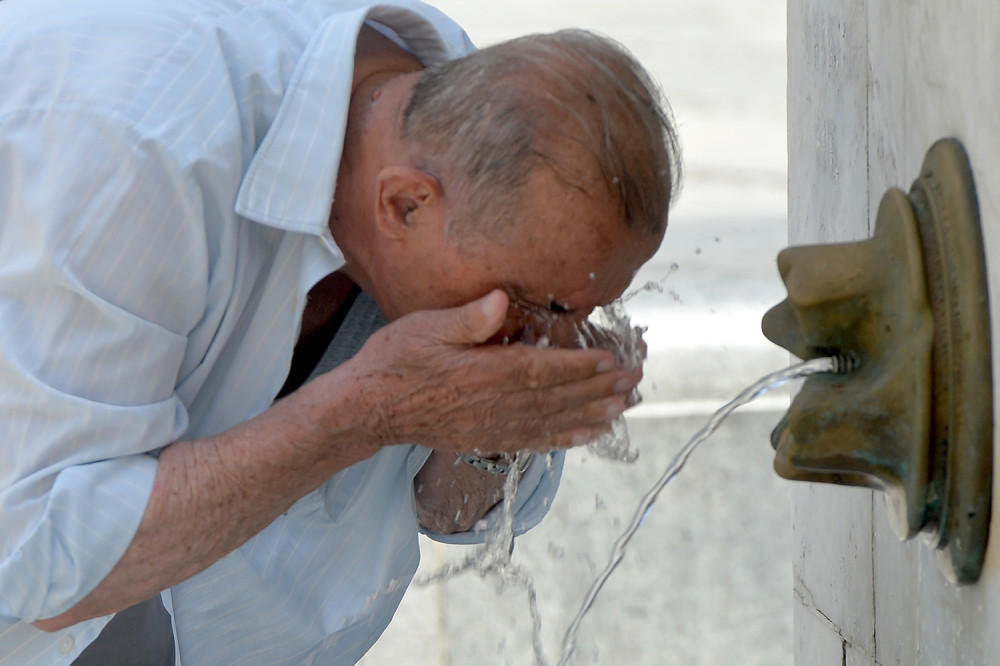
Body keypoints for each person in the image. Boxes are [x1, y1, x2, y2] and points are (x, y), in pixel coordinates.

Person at [0, 0, 682, 663]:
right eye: (541, 306)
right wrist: (369, 409)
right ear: (403, 203)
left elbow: (450, 514)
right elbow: (43, 564)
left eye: (584, 312)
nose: (545, 338)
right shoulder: (134, 148)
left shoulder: (475, 150)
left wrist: (500, 423)